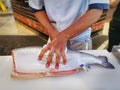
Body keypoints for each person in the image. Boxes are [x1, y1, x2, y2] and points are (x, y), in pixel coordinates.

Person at [29, 0, 109, 69]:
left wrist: (64, 36)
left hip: (80, 38)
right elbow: (36, 8)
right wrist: (53, 33)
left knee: (81, 77)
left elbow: (96, 10)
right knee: (53, 73)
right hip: (54, 37)